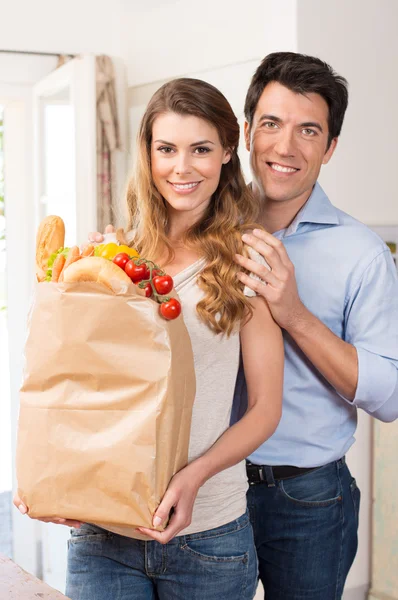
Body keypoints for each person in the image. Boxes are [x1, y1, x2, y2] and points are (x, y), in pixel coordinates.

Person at [15, 78, 284, 600]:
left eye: (201, 149)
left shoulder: (248, 261)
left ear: (229, 152)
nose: (181, 168)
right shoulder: (110, 254)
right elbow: (81, 386)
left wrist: (194, 477)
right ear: (148, 154)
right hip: (103, 534)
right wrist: (61, 469)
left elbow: (266, 407)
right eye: (167, 149)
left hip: (208, 534)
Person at [232, 51, 398, 600]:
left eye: (309, 130)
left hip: (306, 499)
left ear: (329, 148)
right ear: (248, 132)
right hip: (209, 488)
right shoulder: (209, 233)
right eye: (271, 124)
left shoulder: (362, 253)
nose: (286, 147)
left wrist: (294, 313)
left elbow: (390, 395)